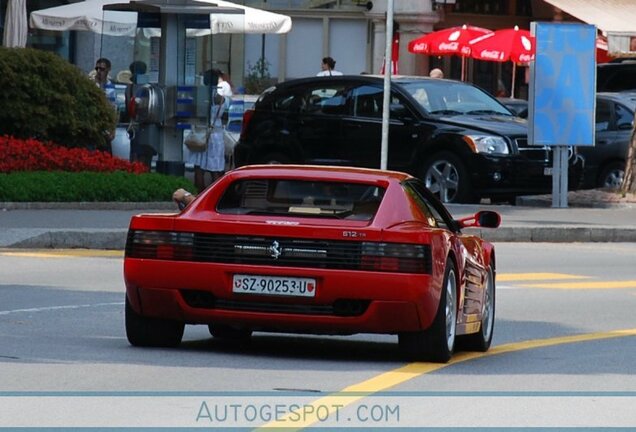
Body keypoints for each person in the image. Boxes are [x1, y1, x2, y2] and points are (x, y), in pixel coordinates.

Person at [189, 69, 233, 191]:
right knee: (216, 168)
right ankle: (218, 193)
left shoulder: (201, 94)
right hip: (216, 134)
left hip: (202, 133)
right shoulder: (222, 97)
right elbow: (225, 117)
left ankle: (199, 193)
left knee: (198, 168)